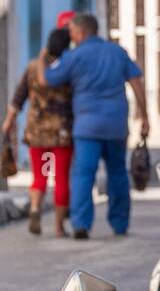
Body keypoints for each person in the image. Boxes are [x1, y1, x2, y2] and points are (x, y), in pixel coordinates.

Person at [40, 12, 148, 239]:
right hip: (116, 125)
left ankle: (81, 224)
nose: (70, 37)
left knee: (83, 174)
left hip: (86, 127)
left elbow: (49, 79)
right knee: (117, 173)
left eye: (71, 33)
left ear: (80, 32)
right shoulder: (117, 52)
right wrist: (145, 116)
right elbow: (136, 82)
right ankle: (119, 225)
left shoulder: (74, 56)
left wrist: (43, 58)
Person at [3, 28, 75, 237]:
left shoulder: (33, 68)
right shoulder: (69, 69)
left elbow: (18, 97)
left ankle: (35, 208)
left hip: (38, 135)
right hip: (61, 135)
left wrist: (8, 122)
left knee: (40, 175)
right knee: (61, 179)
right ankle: (59, 227)